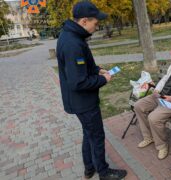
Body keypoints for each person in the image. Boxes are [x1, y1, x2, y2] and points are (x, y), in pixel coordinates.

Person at [56, 1, 127, 180]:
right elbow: (78, 82)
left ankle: (89, 168)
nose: (97, 26)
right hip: (84, 102)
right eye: (96, 23)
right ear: (84, 21)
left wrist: (97, 70)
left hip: (80, 102)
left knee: (88, 134)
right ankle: (104, 172)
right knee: (96, 136)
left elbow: (84, 66)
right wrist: (102, 79)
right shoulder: (73, 43)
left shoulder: (73, 35)